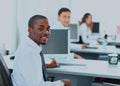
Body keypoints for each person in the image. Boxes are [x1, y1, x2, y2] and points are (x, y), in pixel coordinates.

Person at [11, 15, 70, 86]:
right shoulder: (30, 53)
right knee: (67, 82)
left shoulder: (28, 45)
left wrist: (45, 66)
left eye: (48, 29)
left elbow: (30, 68)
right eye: (41, 29)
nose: (46, 33)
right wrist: (62, 83)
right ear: (29, 30)